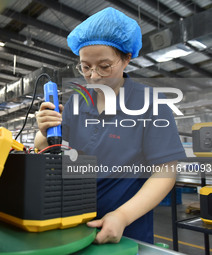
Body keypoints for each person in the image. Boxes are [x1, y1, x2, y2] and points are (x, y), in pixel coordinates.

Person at [34, 7, 186, 244]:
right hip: (72, 222)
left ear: (127, 58)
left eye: (105, 66)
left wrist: (123, 216)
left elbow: (165, 172)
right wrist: (44, 131)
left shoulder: (150, 104)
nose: (93, 76)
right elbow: (47, 151)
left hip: (125, 231)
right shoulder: (78, 101)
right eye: (85, 67)